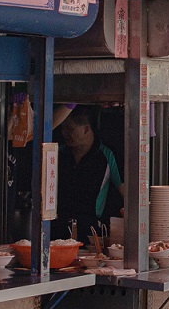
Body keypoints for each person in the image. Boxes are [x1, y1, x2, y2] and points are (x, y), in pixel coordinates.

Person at [53, 104, 124, 243]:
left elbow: (125, 192)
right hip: (58, 230)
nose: (64, 132)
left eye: (70, 128)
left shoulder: (107, 155)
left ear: (86, 129)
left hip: (92, 232)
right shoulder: (58, 153)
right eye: (63, 128)